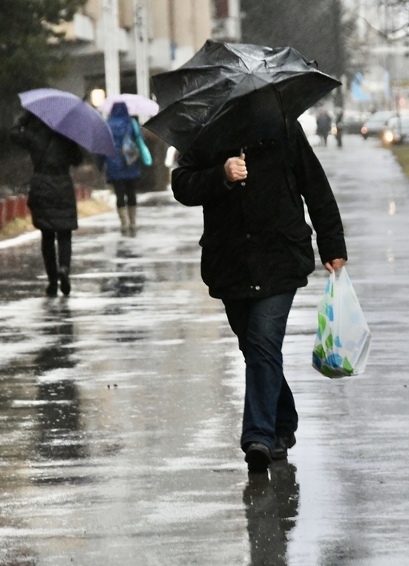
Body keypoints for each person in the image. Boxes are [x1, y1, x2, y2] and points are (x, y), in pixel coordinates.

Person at [171, 119, 347, 473]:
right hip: (230, 262)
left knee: (263, 341)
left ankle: (258, 436)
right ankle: (283, 421)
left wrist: (332, 243)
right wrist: (221, 174)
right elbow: (182, 185)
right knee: (253, 346)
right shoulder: (208, 130)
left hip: (280, 257)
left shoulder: (282, 125)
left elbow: (315, 185)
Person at [10, 110, 83, 297]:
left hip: (42, 185)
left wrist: (24, 117)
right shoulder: (66, 137)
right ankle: (64, 268)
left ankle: (52, 281)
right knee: (65, 234)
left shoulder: (35, 136)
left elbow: (14, 134)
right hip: (63, 186)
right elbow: (78, 160)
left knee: (47, 236)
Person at [104, 102, 144, 236]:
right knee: (131, 192)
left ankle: (123, 223)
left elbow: (102, 144)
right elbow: (139, 140)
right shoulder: (131, 123)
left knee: (119, 194)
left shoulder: (107, 124)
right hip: (130, 162)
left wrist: (101, 163)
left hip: (113, 164)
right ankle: (133, 221)